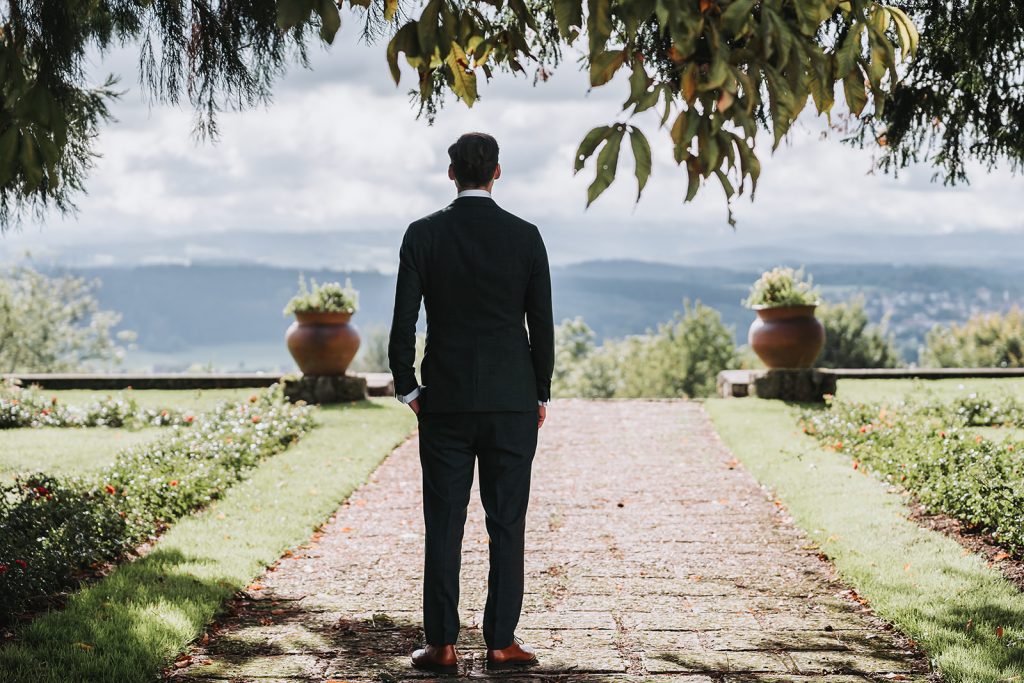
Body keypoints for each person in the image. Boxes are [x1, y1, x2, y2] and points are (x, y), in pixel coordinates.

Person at [388, 132, 555, 674]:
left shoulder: (423, 234)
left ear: (451, 172)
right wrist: (539, 391)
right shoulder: (526, 236)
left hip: (447, 401)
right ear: (497, 173)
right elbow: (542, 326)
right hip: (511, 401)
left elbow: (403, 322)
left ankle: (441, 645)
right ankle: (502, 642)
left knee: (444, 521)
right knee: (507, 522)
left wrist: (408, 387)